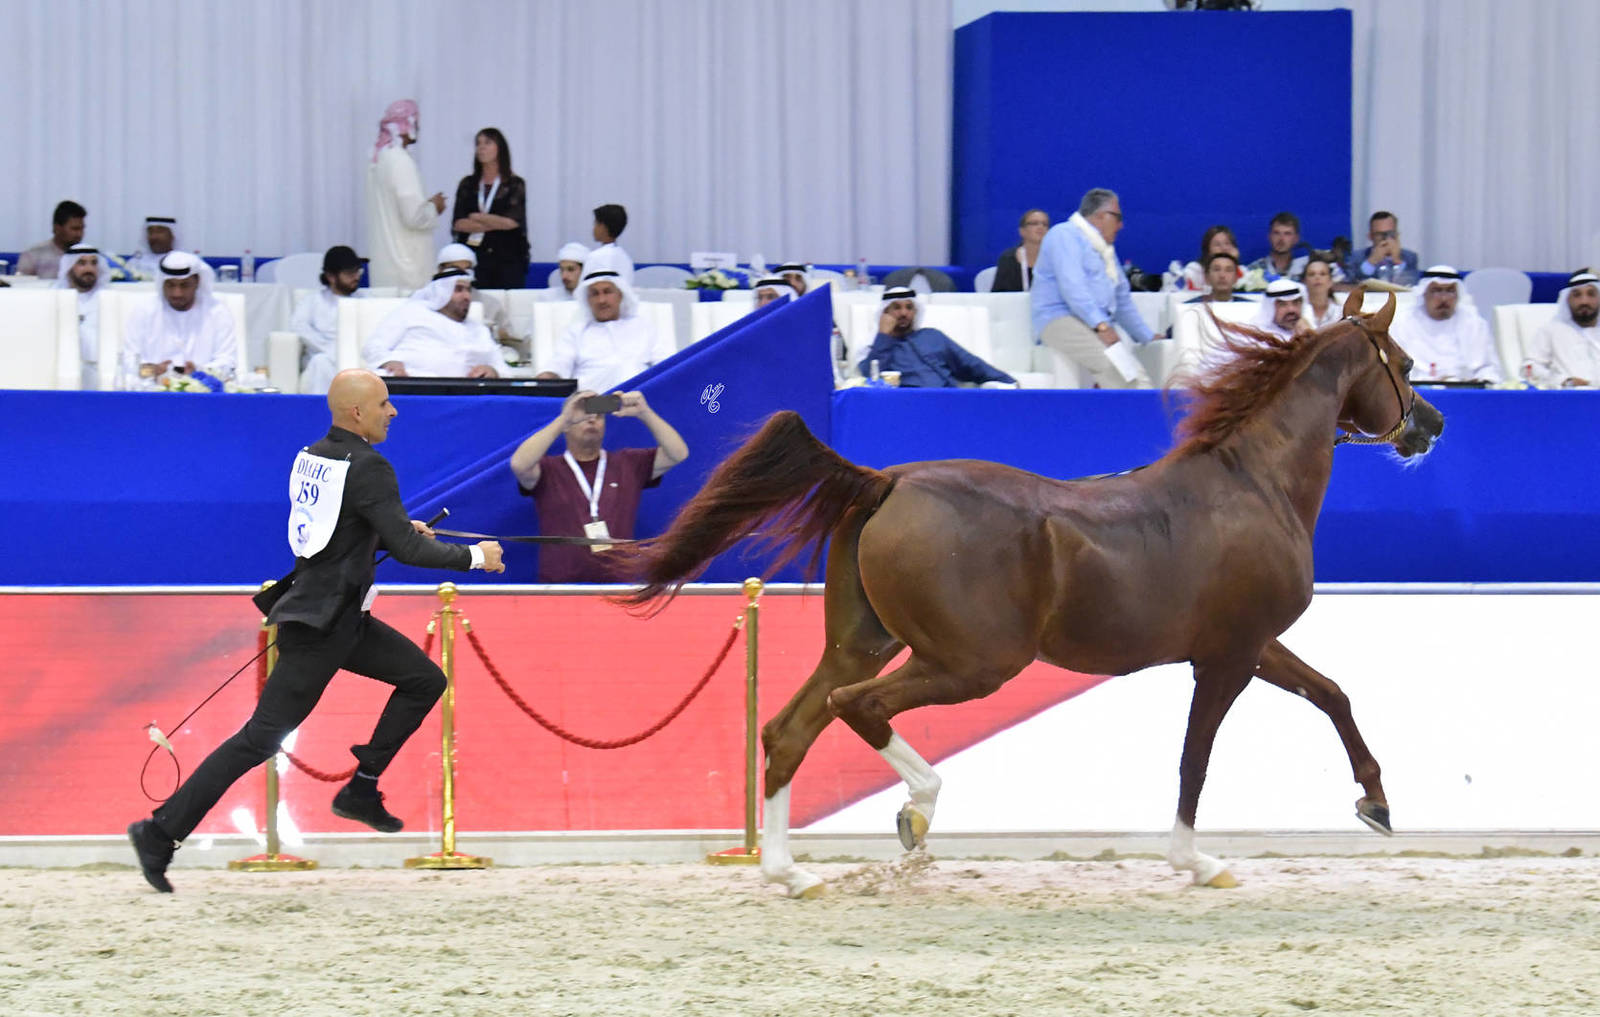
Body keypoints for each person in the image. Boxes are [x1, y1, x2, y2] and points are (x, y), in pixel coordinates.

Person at [126, 368, 506, 893]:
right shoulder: (372, 466)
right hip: (325, 625)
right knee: (258, 740)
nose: (392, 412)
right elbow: (411, 550)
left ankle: (362, 787)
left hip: (338, 617)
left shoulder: (315, 455)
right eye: (383, 404)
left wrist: (386, 527)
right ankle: (160, 831)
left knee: (424, 680)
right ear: (357, 412)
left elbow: (334, 537)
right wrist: (474, 557)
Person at [509, 388, 689, 582]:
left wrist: (645, 413)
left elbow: (677, 454)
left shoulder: (628, 463)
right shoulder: (549, 469)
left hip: (618, 586)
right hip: (560, 587)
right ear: (567, 426)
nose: (592, 419)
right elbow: (519, 464)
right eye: (584, 414)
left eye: (599, 415)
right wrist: (563, 420)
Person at [1032, 187, 1156, 388]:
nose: (1121, 225)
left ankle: (1135, 414)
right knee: (1116, 370)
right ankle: (1142, 416)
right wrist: (1101, 325)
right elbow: (1073, 288)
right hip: (1060, 319)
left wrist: (1147, 336)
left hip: (1094, 322)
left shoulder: (1105, 251)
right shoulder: (1063, 235)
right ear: (1100, 216)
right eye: (1118, 217)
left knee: (1135, 374)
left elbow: (1122, 300)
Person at [537, 253, 674, 392]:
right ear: (587, 300)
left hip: (637, 402)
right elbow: (559, 364)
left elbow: (666, 366)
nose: (601, 300)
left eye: (607, 292)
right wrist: (545, 377)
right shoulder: (577, 332)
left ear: (620, 295)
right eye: (594, 294)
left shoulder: (644, 327)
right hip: (590, 405)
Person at [858, 286, 1016, 388]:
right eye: (897, 308)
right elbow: (871, 376)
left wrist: (1010, 383)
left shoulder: (932, 336)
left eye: (909, 307)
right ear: (885, 313)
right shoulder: (877, 346)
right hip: (909, 405)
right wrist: (884, 336)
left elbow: (970, 364)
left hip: (950, 399)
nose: (904, 313)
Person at [363, 269, 508, 378]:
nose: (467, 296)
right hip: (413, 385)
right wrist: (390, 362)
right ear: (441, 292)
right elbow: (373, 347)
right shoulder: (412, 312)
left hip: (466, 394)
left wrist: (492, 371)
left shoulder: (479, 329)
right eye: (458, 289)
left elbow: (502, 368)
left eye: (468, 290)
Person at [122, 251, 238, 387]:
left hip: (203, 394)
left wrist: (199, 372)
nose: (177, 293)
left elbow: (227, 361)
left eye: (184, 285)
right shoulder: (144, 311)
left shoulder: (217, 312)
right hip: (154, 392)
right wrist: (153, 370)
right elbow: (128, 360)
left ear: (197, 282)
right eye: (170, 285)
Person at [366, 99, 446, 291]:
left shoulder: (376, 161)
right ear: (405, 125)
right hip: (407, 269)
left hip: (383, 267)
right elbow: (414, 218)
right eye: (415, 121)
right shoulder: (401, 161)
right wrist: (435, 206)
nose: (418, 127)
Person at [1390, 266, 1502, 383]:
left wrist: (1481, 379)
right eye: (1437, 291)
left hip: (1466, 392)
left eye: (1450, 291)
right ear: (1424, 293)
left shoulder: (1475, 324)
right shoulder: (1402, 323)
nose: (1444, 299)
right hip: (1418, 393)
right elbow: (1395, 370)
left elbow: (1489, 368)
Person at [450, 127, 529, 289]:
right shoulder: (467, 184)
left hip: (507, 258)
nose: (481, 147)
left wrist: (478, 217)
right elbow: (458, 223)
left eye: (487, 143)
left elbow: (512, 222)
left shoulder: (514, 184)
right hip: (473, 258)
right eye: (478, 143)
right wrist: (495, 222)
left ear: (500, 148)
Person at [289, 245, 366, 394]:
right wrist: (330, 348)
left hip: (359, 357)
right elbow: (298, 326)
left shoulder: (366, 301)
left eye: (358, 271)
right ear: (331, 276)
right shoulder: (312, 301)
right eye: (350, 273)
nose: (356, 277)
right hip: (325, 356)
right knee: (320, 363)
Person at [436, 242, 522, 360]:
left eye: (467, 269)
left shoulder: (491, 303)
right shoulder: (422, 300)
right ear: (440, 270)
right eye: (455, 268)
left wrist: (497, 333)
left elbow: (511, 340)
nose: (462, 274)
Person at [1523, 270, 1600, 388]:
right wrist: (1562, 381)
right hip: (1567, 396)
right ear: (1567, 299)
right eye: (1577, 295)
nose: (1584, 301)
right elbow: (1529, 368)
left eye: (1591, 294)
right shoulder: (1551, 331)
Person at [56, 243, 111, 388]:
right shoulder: (55, 298)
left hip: (102, 371)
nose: (89, 269)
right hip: (60, 371)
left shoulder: (108, 299)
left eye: (94, 263)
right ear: (69, 267)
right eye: (81, 263)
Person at [17, 200, 87, 277]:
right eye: (75, 229)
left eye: (82, 229)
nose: (80, 234)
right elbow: (21, 285)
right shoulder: (33, 255)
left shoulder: (90, 257)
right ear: (57, 228)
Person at [1351, 211, 1421, 286]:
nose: (1385, 239)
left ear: (1397, 235)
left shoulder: (1410, 257)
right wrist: (1371, 262)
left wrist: (1397, 261)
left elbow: (1412, 283)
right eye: (1379, 234)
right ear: (1370, 236)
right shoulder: (1357, 257)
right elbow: (1355, 283)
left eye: (1390, 233)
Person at [992, 209, 1050, 292]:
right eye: (1034, 223)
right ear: (1022, 231)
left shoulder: (1054, 259)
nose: (1040, 227)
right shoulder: (1008, 259)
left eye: (1045, 224)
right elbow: (998, 294)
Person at [1174, 225, 1244, 292]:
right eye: (1217, 245)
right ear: (1208, 250)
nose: (1224, 248)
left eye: (1227, 243)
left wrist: (1235, 263)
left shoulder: (1242, 271)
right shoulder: (1194, 270)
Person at [1245, 211, 1309, 284]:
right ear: (1269, 236)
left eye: (1287, 234)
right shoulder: (1254, 270)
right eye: (1276, 233)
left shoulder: (1306, 271)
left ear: (1296, 238)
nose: (1281, 239)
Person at [591, 204, 635, 284]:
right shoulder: (626, 259)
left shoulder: (595, 257)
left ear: (603, 227)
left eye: (595, 223)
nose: (593, 228)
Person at [1301, 254, 1342, 330]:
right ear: (1304, 281)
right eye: (1312, 274)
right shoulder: (1298, 310)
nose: (1317, 277)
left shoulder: (1340, 312)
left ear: (1330, 281)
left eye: (1322, 274)